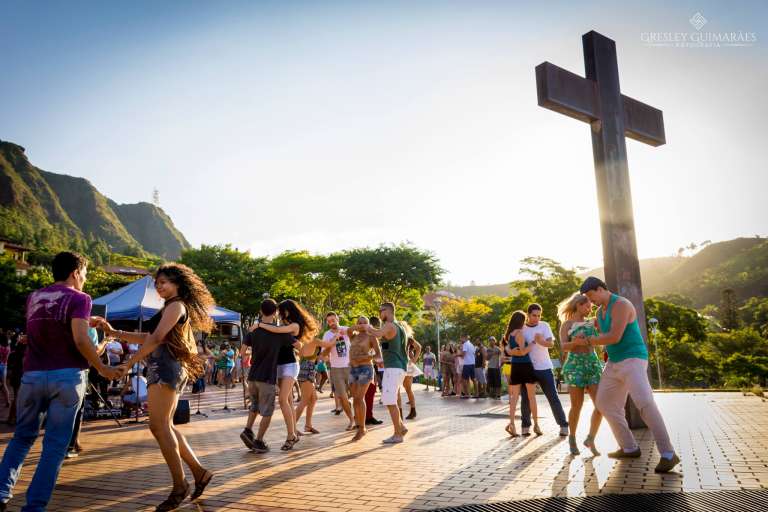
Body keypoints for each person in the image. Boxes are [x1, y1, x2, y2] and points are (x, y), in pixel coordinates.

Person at [0, 252, 122, 512]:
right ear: (76, 273)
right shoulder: (80, 298)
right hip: (66, 377)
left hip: (32, 376)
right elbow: (79, 339)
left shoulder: (34, 297)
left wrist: (89, 320)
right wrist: (101, 366)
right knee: (54, 445)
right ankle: (34, 507)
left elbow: (48, 321)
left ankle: (1, 493)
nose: (85, 280)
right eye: (85, 274)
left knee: (21, 438)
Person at [99, 263, 216, 509]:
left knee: (159, 426)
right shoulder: (169, 308)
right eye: (157, 283)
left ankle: (179, 485)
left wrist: (129, 362)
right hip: (161, 369)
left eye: (164, 282)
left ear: (178, 284)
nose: (159, 286)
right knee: (165, 427)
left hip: (166, 370)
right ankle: (199, 473)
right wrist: (115, 332)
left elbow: (157, 338)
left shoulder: (176, 306)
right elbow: (149, 337)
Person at [577, 277, 679, 473]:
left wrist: (588, 341)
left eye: (591, 296)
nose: (591, 302)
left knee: (645, 404)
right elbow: (600, 332)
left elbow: (614, 336)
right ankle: (629, 447)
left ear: (600, 289)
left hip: (633, 359)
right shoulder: (600, 312)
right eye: (588, 298)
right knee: (605, 404)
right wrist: (583, 332)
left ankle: (668, 454)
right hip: (614, 362)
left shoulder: (621, 304)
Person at [253, 299, 320, 449]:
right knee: (287, 402)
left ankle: (291, 435)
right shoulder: (284, 325)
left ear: (287, 311)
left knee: (283, 400)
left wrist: (259, 324)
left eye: (280, 311)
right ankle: (292, 434)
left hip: (290, 365)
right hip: (278, 366)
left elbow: (279, 333)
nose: (278, 314)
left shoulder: (294, 326)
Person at [239, 299, 302, 454]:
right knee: (268, 410)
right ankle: (259, 441)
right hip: (268, 375)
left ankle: (248, 430)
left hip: (253, 375)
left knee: (256, 404)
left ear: (260, 312)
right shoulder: (279, 333)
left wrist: (257, 351)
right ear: (275, 313)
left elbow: (242, 352)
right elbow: (299, 346)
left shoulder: (253, 330)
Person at [558, 292, 603, 456]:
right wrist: (574, 342)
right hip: (575, 365)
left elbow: (602, 340)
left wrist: (596, 334)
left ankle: (590, 438)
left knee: (601, 405)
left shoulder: (592, 323)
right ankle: (572, 438)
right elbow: (563, 346)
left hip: (592, 364)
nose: (590, 309)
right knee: (576, 406)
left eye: (591, 306)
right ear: (578, 305)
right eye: (587, 306)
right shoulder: (567, 324)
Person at [519, 303, 569, 437]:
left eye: (539, 315)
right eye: (534, 315)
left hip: (544, 367)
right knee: (526, 399)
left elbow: (551, 344)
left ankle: (563, 425)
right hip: (528, 369)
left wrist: (541, 341)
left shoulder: (544, 325)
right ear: (528, 315)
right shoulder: (522, 329)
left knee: (553, 397)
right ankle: (525, 426)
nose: (536, 318)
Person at [364, 302, 409, 444]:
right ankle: (401, 427)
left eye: (380, 311)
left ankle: (398, 434)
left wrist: (368, 327)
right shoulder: (399, 326)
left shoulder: (389, 325)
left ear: (387, 311)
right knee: (391, 399)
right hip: (397, 367)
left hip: (394, 368)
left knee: (390, 401)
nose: (379, 313)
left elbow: (376, 334)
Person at [503, 310, 540, 437]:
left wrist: (512, 352)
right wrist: (533, 343)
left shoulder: (509, 335)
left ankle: (512, 424)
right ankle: (536, 424)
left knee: (514, 398)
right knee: (531, 397)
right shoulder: (520, 333)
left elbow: (509, 350)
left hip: (516, 367)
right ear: (521, 321)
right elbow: (523, 352)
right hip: (525, 365)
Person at [347, 316, 383, 440]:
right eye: (359, 323)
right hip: (353, 369)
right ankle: (359, 425)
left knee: (359, 397)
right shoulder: (354, 336)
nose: (361, 325)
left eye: (364, 323)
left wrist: (369, 357)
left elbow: (378, 353)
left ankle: (362, 428)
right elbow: (349, 330)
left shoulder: (371, 337)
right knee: (355, 400)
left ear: (369, 325)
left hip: (365, 369)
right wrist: (358, 327)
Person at [321, 312, 355, 430]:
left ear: (337, 319)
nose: (331, 323)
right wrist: (331, 343)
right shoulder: (326, 335)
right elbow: (323, 355)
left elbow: (354, 333)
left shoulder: (344, 329)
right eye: (329, 321)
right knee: (342, 397)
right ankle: (351, 420)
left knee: (356, 395)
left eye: (333, 320)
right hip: (336, 369)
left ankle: (359, 418)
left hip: (350, 367)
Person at [364, 316, 384, 426]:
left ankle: (369, 416)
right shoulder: (366, 336)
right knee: (363, 394)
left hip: (371, 366)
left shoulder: (371, 335)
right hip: (363, 367)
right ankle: (362, 417)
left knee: (370, 392)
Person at [403, 334, 422, 419]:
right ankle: (409, 411)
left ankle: (413, 410)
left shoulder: (408, 338)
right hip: (398, 364)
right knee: (405, 388)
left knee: (408, 388)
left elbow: (419, 347)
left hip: (406, 365)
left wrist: (414, 360)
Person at [0, 336, 10, 406]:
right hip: (5, 366)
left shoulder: (0, 347)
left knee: (2, 384)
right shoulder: (8, 348)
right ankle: (7, 401)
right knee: (4, 384)